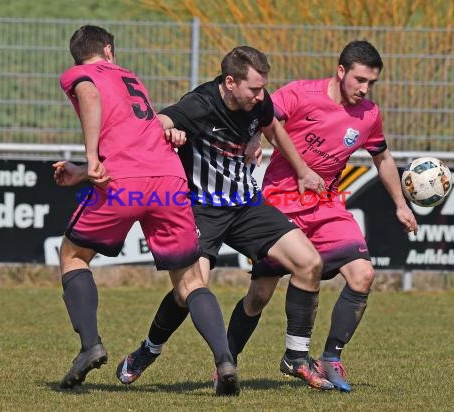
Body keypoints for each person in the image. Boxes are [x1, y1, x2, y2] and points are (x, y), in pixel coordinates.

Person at [55, 46, 333, 390]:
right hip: (200, 209)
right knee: (189, 289)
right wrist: (171, 132)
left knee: (309, 262)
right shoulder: (197, 105)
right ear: (230, 83)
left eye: (263, 88)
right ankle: (149, 349)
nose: (262, 96)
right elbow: (154, 126)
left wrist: (299, 168)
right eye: (255, 89)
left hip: (246, 206)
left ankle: (296, 357)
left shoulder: (257, 103)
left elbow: (271, 123)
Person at [55, 25, 240, 396]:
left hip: (122, 183)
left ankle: (90, 344)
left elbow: (90, 97)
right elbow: (133, 134)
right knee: (190, 282)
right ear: (109, 50)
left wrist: (91, 160)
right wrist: (83, 169)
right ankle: (224, 360)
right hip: (169, 180)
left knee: (73, 256)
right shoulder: (129, 77)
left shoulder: (79, 74)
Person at [251, 40, 419, 392]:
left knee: (362, 274)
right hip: (282, 201)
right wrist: (252, 139)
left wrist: (401, 205)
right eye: (359, 79)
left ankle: (331, 357)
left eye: (371, 83)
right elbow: (262, 118)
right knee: (259, 294)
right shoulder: (300, 93)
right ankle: (227, 363)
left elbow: (383, 159)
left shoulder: (369, 114)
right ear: (341, 71)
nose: (364, 88)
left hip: (327, 205)